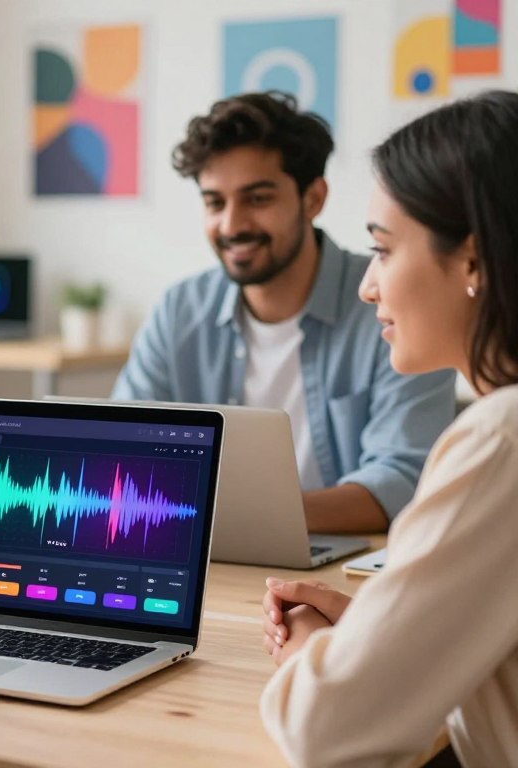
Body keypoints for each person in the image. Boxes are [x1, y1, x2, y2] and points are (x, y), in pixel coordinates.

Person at [260, 90, 518, 766]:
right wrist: (381, 635)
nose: (367, 286)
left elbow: (326, 730)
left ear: (472, 261)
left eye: (383, 250)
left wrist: (317, 644)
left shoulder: (500, 442)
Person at [112, 91, 456, 533]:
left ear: (313, 198)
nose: (232, 225)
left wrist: (236, 520)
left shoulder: (392, 307)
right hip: (209, 563)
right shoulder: (179, 311)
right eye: (215, 202)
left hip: (339, 575)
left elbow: (403, 483)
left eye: (257, 199)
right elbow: (122, 454)